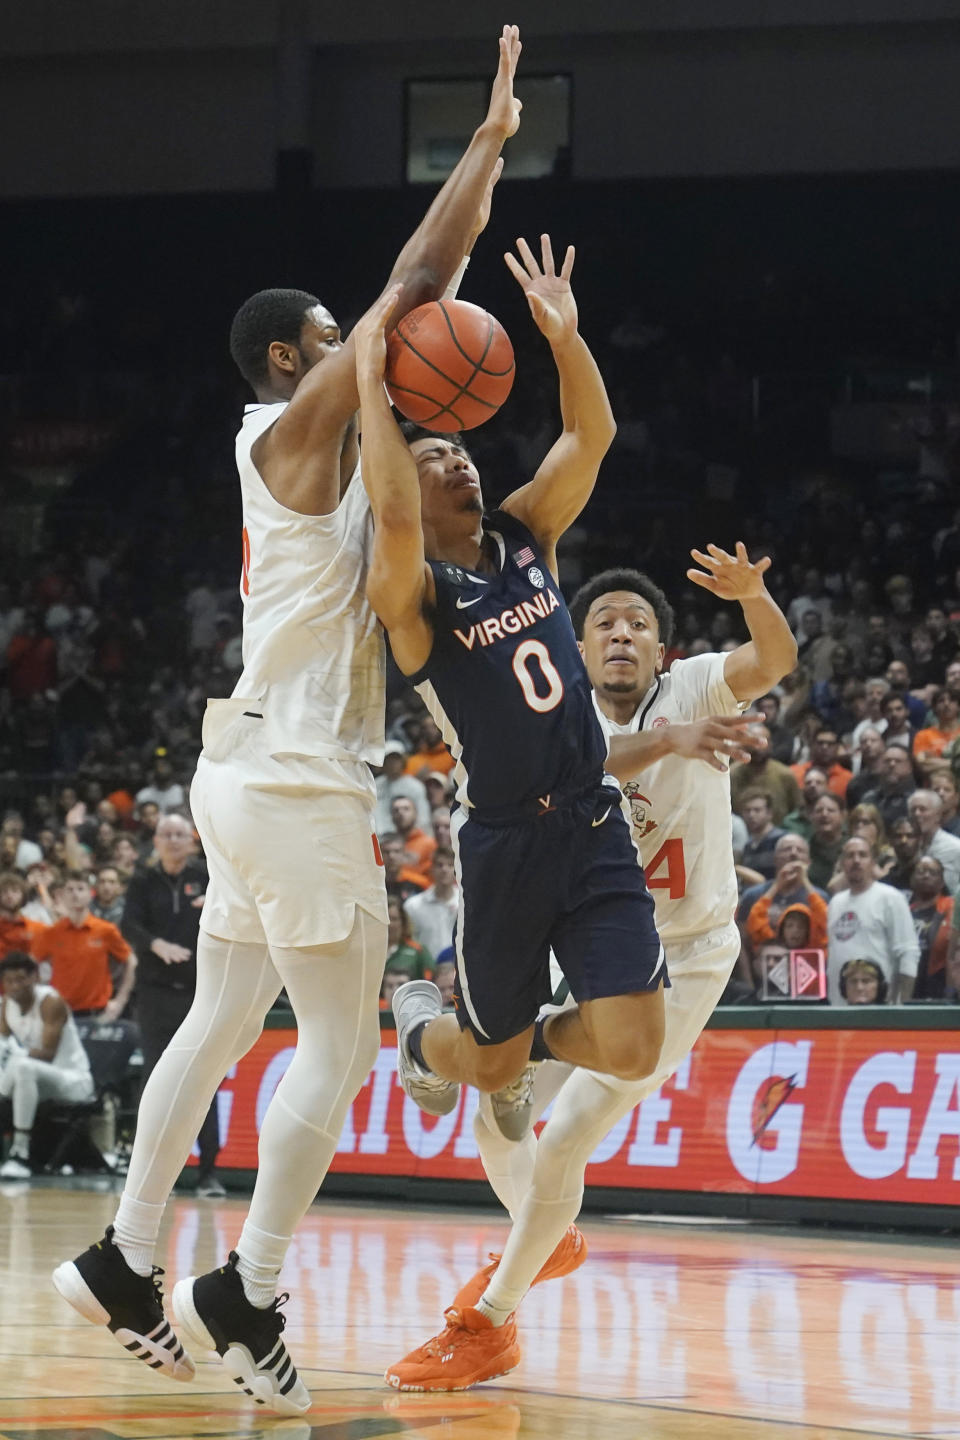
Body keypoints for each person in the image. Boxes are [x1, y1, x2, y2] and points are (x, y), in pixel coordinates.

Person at [53, 28, 523, 1416]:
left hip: (248, 767)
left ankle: (127, 1257)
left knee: (217, 1019)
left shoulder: (291, 453)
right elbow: (418, 285)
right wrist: (485, 150)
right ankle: (246, 1290)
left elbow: (409, 306)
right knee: (335, 1042)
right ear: (286, 356)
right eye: (332, 340)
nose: (356, 350)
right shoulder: (291, 426)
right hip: (303, 776)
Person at [384, 552, 795, 1391]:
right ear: (573, 644)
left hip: (683, 956)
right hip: (592, 942)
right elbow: (578, 770)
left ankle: (489, 1322)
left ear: (661, 651)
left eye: (638, 623)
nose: (620, 632)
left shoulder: (698, 688)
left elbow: (774, 661)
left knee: (565, 1136)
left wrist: (754, 598)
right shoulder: (556, 716)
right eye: (603, 620)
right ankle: (550, 1231)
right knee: (496, 1123)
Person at [355, 239, 667, 1137]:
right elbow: (390, 509)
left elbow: (589, 436)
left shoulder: (527, 533)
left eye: (462, 450)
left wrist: (565, 339)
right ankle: (422, 1034)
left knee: (635, 1047)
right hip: (503, 839)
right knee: (480, 1060)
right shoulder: (410, 596)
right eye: (436, 456)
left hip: (591, 813)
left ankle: (521, 1047)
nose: (459, 461)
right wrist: (375, 388)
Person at [120, 813, 224, 1197]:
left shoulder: (208, 875)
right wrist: (155, 944)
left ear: (192, 840)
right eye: (166, 834)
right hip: (156, 995)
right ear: (157, 840)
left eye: (180, 834)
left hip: (201, 995)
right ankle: (147, 1173)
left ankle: (209, 1171)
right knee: (156, 1082)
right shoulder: (144, 881)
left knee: (204, 1080)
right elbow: (128, 925)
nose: (174, 840)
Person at [0, 952, 95, 1181]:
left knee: (22, 1066)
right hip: (32, 1082)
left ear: (35, 977)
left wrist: (12, 1054)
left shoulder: (51, 1002)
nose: (15, 986)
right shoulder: (6, 1005)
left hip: (72, 1080)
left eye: (21, 979)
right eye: (9, 981)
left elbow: (47, 1055)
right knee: (17, 1066)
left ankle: (20, 1152)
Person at [826, 837, 919, 1004]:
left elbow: (908, 952)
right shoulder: (835, 903)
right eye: (850, 856)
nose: (856, 860)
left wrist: (902, 1006)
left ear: (873, 862)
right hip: (840, 1007)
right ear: (841, 863)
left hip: (882, 1005)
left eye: (862, 855)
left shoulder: (890, 897)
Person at [34, 872, 136, 1020]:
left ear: (90, 893)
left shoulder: (105, 930)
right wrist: (40, 998)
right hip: (61, 1013)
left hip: (97, 1012)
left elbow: (131, 962)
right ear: (62, 895)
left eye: (80, 889)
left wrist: (120, 1001)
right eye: (70, 890)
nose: (75, 894)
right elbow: (31, 964)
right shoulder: (51, 933)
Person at [729, 722, 800, 823]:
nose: (757, 748)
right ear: (744, 745)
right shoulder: (732, 775)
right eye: (752, 742)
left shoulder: (785, 775)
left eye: (761, 743)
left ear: (770, 745)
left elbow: (796, 812)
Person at [908, 855, 953, 999]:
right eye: (921, 871)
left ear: (941, 881)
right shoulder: (905, 910)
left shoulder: (950, 907)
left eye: (932, 872)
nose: (926, 875)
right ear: (912, 879)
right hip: (910, 982)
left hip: (938, 983)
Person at [403, 847, 459, 960]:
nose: (444, 869)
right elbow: (408, 942)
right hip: (425, 970)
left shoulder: (465, 903)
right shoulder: (413, 905)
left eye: (450, 865)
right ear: (431, 869)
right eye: (439, 865)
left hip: (458, 970)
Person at [907, 789, 960, 895]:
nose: (917, 814)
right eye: (913, 810)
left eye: (923, 809)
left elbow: (949, 889)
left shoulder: (953, 847)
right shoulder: (908, 846)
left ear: (938, 815)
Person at [790, 725, 851, 800]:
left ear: (837, 747)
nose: (824, 747)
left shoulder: (848, 779)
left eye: (830, 744)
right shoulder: (794, 772)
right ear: (812, 745)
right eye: (820, 743)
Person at [737, 790, 784, 882]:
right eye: (747, 810)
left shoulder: (782, 840)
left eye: (757, 810)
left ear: (769, 813)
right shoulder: (748, 845)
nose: (751, 815)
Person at [781, 766, 828, 842]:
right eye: (808, 783)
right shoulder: (789, 821)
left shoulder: (833, 820)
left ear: (827, 787)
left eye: (818, 783)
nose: (813, 785)